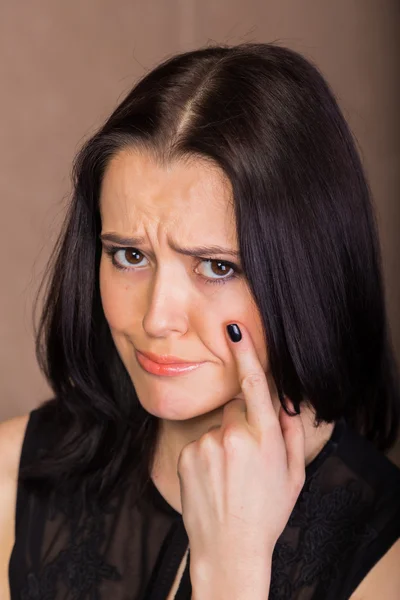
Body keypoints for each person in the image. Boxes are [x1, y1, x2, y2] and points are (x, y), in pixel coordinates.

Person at [0, 42, 400, 600]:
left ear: (307, 272)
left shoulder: (388, 561)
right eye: (129, 255)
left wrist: (231, 574)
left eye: (216, 267)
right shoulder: (10, 479)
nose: (157, 318)